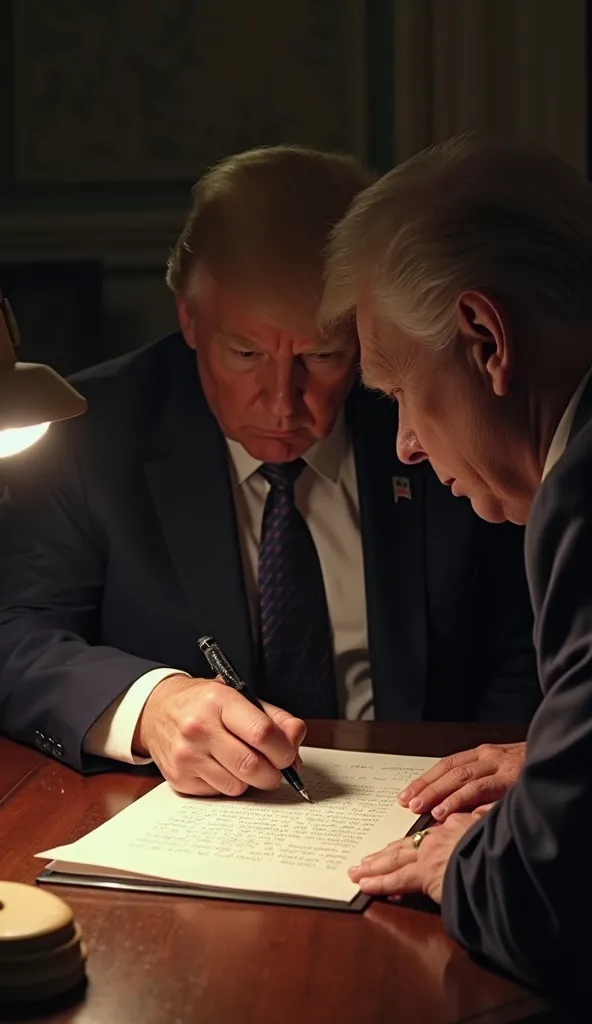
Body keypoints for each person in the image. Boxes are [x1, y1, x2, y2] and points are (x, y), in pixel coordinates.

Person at [0, 145, 538, 801]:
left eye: (324, 355)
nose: (284, 401)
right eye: (246, 351)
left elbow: (519, 639)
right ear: (189, 318)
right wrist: (151, 706)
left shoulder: (439, 423)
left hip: (425, 810)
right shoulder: (87, 431)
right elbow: (16, 635)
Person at [321, 133, 592, 995]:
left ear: (484, 338)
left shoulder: (582, 497)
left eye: (399, 389)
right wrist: (559, 757)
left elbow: (545, 904)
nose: (402, 445)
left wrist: (459, 863)